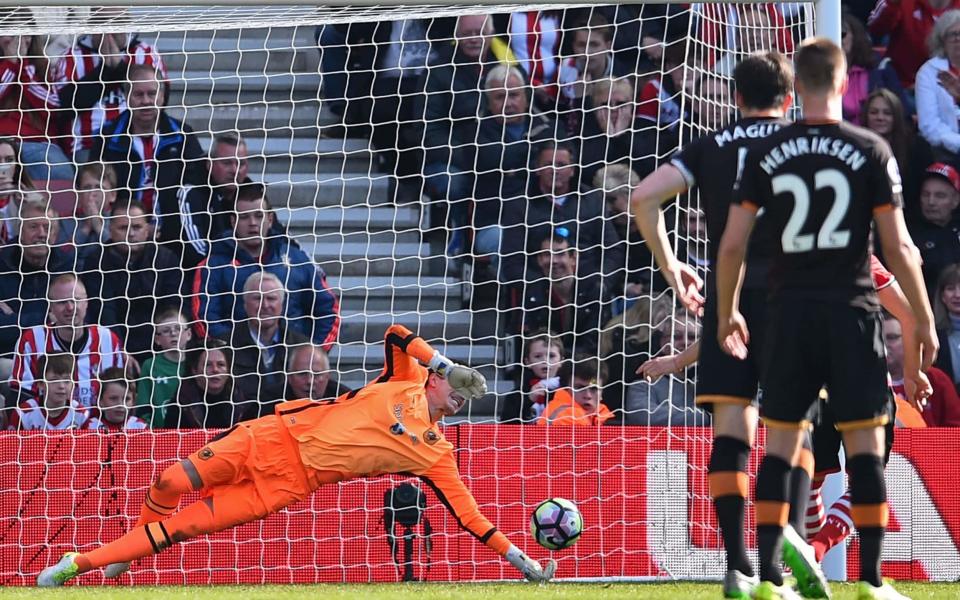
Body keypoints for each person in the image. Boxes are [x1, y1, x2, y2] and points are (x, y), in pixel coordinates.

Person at [37, 324, 556, 586]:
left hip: (286, 485)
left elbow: (470, 516)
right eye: (455, 381)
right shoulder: (407, 378)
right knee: (169, 484)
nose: (460, 392)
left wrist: (521, 558)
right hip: (271, 435)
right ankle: (121, 559)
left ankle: (77, 565)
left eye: (466, 392)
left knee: (183, 528)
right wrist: (442, 359)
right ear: (441, 378)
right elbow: (396, 334)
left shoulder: (436, 455)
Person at [717, 38, 936, 599]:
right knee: (865, 446)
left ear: (795, 92)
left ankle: (767, 580)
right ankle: (869, 582)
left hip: (788, 314)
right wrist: (925, 320)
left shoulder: (767, 152)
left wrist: (726, 314)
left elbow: (732, 246)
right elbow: (900, 247)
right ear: (844, 84)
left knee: (781, 445)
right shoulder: (869, 149)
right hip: (851, 312)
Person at [630, 51, 794, 600]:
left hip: (730, 295)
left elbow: (644, 196)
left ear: (736, 97)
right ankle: (773, 568)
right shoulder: (804, 146)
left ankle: (737, 565)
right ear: (787, 100)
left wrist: (671, 263)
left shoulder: (711, 146)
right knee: (791, 431)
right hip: (797, 293)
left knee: (732, 430)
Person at [194, 183, 340, 349]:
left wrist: (312, 354)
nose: (252, 223)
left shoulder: (298, 259)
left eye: (259, 216)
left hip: (294, 366)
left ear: (270, 219)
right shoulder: (212, 266)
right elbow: (204, 319)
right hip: (236, 366)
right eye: (244, 217)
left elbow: (328, 310)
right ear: (233, 222)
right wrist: (232, 354)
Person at [55, 9, 168, 163]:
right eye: (102, 24)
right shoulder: (71, 57)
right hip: (86, 146)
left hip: (135, 140)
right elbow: (64, 107)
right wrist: (105, 71)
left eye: (116, 24)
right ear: (91, 27)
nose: (109, 32)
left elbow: (162, 100)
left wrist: (120, 67)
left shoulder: (147, 53)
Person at [93, 63, 205, 218]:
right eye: (138, 94)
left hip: (174, 232)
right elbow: (95, 191)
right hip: (123, 231)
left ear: (162, 96)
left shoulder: (183, 136)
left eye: (152, 93)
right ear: (126, 97)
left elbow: (198, 188)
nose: (146, 101)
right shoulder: (107, 139)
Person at [81, 199, 183, 357]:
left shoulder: (166, 259)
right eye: (123, 228)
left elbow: (172, 308)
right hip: (113, 348)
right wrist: (120, 353)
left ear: (147, 230)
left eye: (137, 227)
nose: (131, 234)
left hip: (161, 348)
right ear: (111, 230)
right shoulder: (96, 262)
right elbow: (105, 313)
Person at [9, 274, 127, 408]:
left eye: (76, 300)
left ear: (86, 302)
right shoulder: (32, 340)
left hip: (98, 426)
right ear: (50, 307)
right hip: (46, 425)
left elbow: (120, 396)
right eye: (62, 302)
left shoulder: (108, 340)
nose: (70, 307)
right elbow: (22, 397)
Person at [163, 132, 252, 270]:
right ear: (209, 164)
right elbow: (194, 251)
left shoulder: (252, 193)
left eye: (241, 164)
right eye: (227, 163)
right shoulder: (190, 193)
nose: (235, 170)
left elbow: (273, 234)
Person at [0, 194, 74, 357]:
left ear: (54, 236)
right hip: (8, 356)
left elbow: (74, 323)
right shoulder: (2, 263)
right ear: (20, 232)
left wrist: (14, 318)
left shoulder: (67, 265)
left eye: (47, 228)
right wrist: (46, 318)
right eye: (33, 227)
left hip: (57, 357)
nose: (41, 234)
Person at [515, 230, 608, 357]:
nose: (553, 261)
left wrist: (561, 359)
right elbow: (528, 342)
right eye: (547, 254)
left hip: (586, 369)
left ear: (573, 258)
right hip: (546, 367)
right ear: (539, 260)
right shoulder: (532, 294)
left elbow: (593, 343)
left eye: (560, 254)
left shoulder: (594, 290)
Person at [0, 32, 73, 181]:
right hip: (3, 143)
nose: (19, 40)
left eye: (26, 35)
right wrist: (11, 63)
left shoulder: (41, 68)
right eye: (12, 34)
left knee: (62, 173)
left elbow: (52, 106)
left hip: (39, 145)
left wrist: (24, 68)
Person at [226, 271, 308, 402]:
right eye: (257, 298)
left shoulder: (302, 347)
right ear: (245, 304)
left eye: (271, 298)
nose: (265, 305)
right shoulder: (225, 347)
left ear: (282, 305)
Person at [624, 316, 707, 427]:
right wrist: (707, 416)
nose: (685, 342)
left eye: (692, 337)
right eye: (677, 337)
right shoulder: (642, 386)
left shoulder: (710, 384)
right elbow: (644, 417)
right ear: (663, 343)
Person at [163, 339, 254, 429]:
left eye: (221, 364)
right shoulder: (180, 407)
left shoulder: (244, 404)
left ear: (228, 371)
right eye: (208, 365)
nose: (215, 370)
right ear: (194, 370)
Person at [868, 0, 960, 89]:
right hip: (903, 86)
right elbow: (875, 29)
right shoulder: (906, 3)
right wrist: (892, 4)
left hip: (951, 88)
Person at [840, 12, 906, 125]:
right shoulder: (821, 72)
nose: (837, 38)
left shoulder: (880, 67)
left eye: (842, 34)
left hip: (877, 135)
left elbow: (901, 107)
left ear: (855, 36)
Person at [915, 10, 960, 162]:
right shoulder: (928, 72)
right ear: (942, 40)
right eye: (952, 34)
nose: (958, 39)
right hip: (944, 151)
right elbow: (929, 125)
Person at [136, 308, 191, 428]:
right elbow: (143, 406)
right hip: (160, 435)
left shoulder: (196, 365)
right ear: (157, 339)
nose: (173, 333)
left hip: (192, 433)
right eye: (166, 331)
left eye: (178, 328)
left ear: (189, 334)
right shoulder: (150, 366)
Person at [910, 163, 960, 289]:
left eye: (940, 196)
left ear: (955, 200)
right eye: (925, 194)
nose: (931, 202)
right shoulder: (907, 235)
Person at [6, 353, 86, 431]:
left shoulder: (81, 414)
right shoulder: (23, 413)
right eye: (54, 380)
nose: (61, 386)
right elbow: (11, 443)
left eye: (66, 380)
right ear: (40, 384)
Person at [500, 331, 565, 423]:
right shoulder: (516, 396)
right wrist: (528, 401)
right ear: (528, 362)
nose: (545, 361)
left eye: (551, 356)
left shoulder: (570, 392)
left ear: (561, 361)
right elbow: (506, 428)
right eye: (538, 356)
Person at [537, 354, 613, 426]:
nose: (587, 395)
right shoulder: (564, 415)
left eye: (594, 389)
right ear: (566, 389)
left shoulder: (603, 414)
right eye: (580, 388)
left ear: (601, 393)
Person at [65, 162, 119, 264]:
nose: (92, 193)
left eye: (99, 187)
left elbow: (121, 257)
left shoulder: (122, 221)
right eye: (87, 187)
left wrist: (98, 227)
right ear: (79, 194)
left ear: (112, 195)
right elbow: (60, 261)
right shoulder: (65, 222)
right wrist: (85, 229)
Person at [84, 367, 147, 431]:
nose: (120, 404)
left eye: (127, 399)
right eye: (113, 398)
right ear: (100, 401)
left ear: (133, 401)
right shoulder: (90, 426)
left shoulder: (140, 426)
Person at [0, 136, 35, 245]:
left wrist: (27, 210)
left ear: (17, 166)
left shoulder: (31, 198)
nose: (3, 167)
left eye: (9, 160)